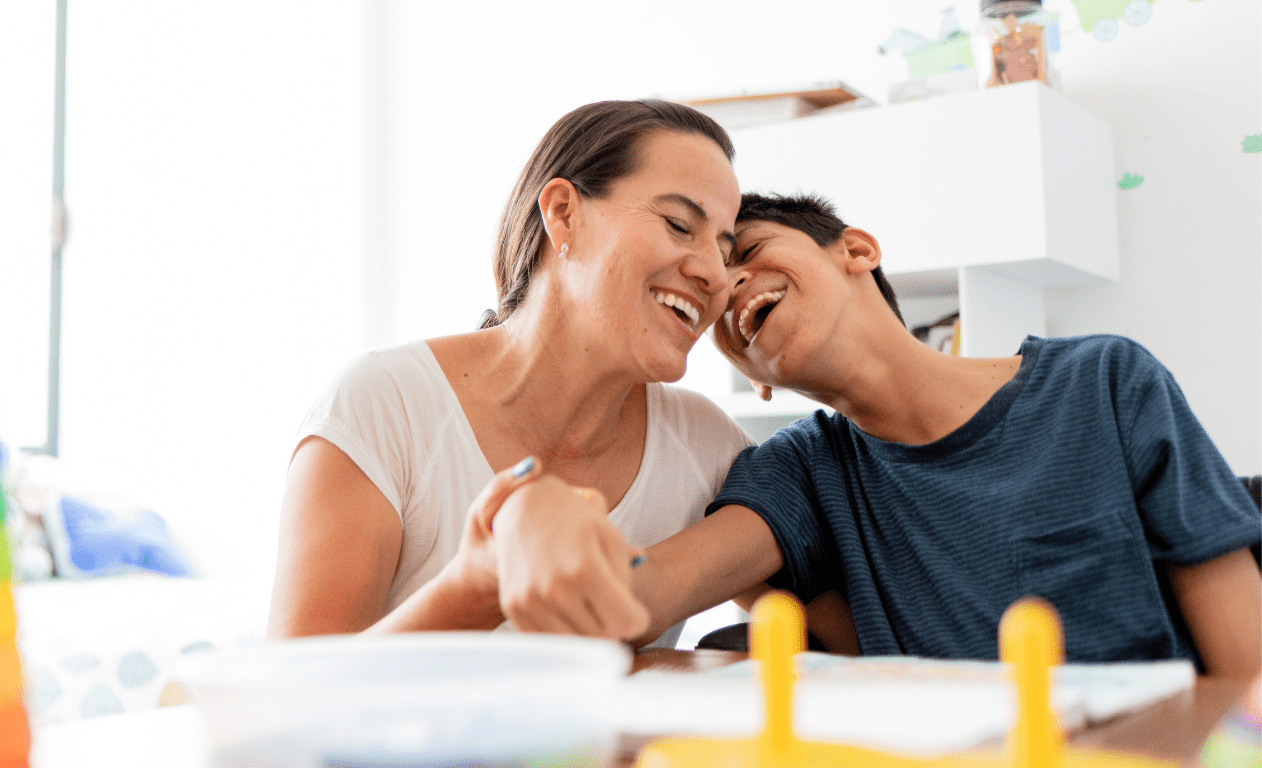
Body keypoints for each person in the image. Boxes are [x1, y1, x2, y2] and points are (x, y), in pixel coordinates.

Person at [498, 192, 1262, 676]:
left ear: (856, 250)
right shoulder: (800, 470)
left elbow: (1247, 671)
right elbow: (645, 592)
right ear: (754, 379)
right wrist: (533, 519)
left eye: (749, 252)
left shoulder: (1104, 382)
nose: (726, 286)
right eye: (712, 296)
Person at [266, 99, 754, 647]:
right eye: (678, 224)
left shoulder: (707, 448)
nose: (715, 273)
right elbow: (290, 698)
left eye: (725, 248)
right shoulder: (381, 405)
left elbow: (839, 617)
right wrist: (475, 585)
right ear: (564, 213)